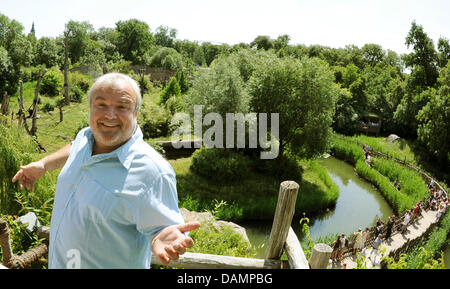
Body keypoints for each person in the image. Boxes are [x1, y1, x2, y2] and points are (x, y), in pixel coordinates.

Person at [12, 73, 200, 269]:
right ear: (90, 108)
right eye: (101, 105)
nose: (109, 115)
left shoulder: (153, 172)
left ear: (136, 113)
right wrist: (44, 164)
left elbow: (165, 230)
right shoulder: (86, 137)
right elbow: (74, 146)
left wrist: (160, 238)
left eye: (122, 107)